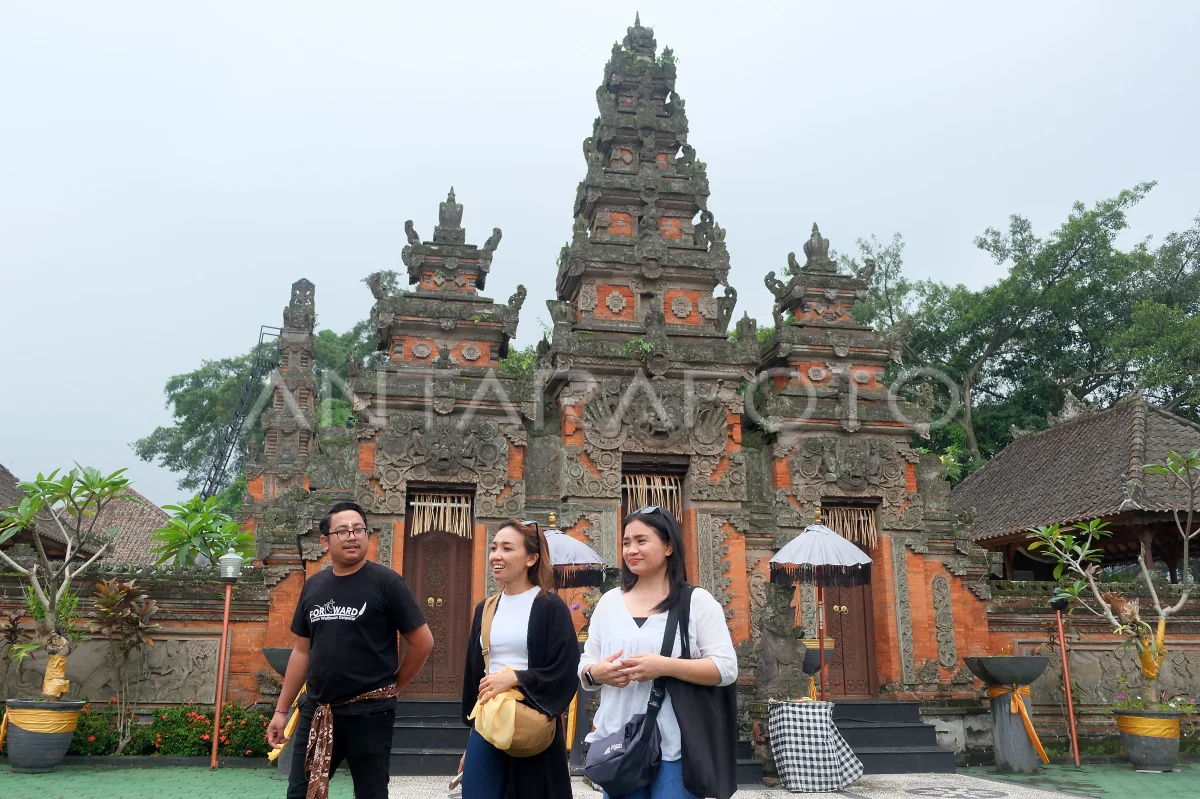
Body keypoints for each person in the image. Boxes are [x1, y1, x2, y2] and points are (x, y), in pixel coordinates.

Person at [267, 501, 434, 799]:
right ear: (325, 541)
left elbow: (423, 642)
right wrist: (281, 711)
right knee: (301, 793)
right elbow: (301, 652)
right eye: (342, 531)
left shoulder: (387, 583)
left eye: (358, 530)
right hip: (317, 710)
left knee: (370, 793)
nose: (352, 536)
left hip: (369, 713)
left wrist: (395, 685)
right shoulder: (314, 586)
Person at [579, 506, 738, 799]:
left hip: (676, 745)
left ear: (668, 547)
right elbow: (587, 663)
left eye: (642, 540)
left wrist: (664, 666)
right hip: (619, 744)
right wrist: (596, 673)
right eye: (626, 542)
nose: (631, 550)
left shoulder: (696, 602)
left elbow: (726, 669)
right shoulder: (609, 603)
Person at [457, 519, 581, 799]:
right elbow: (475, 674)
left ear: (531, 558)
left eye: (507, 548)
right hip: (488, 722)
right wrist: (471, 739)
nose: (496, 555)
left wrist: (516, 678)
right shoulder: (485, 609)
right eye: (494, 547)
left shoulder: (550, 606)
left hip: (530, 722)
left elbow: (565, 668)